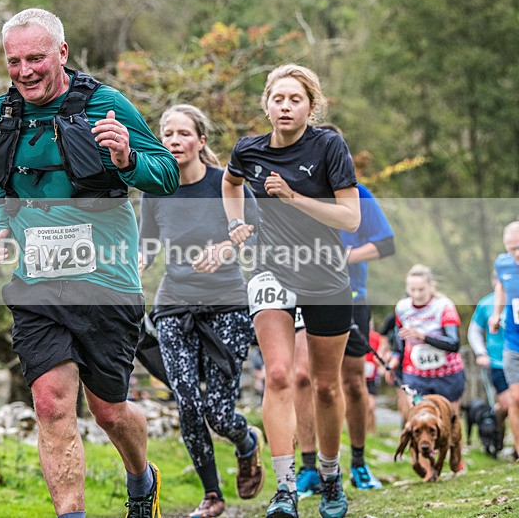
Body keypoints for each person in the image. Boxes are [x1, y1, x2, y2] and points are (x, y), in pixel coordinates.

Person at [0, 9, 179, 518]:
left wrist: (127, 159)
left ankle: (142, 477)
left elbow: (168, 174)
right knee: (49, 401)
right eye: (14, 60)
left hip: (106, 280)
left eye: (36, 58)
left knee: (109, 410)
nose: (24, 71)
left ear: (62, 53)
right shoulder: (0, 116)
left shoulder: (105, 105)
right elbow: (2, 189)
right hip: (38, 282)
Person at [223, 64, 360, 518]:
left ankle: (330, 473)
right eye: (278, 99)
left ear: (311, 106)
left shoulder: (329, 147)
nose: (285, 106)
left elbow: (350, 219)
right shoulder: (248, 150)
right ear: (266, 104)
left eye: (295, 99)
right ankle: (284, 491)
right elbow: (230, 182)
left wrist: (293, 198)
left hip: (324, 275)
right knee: (279, 375)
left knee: (324, 386)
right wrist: (236, 222)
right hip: (270, 270)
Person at [138, 104, 263, 518]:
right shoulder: (155, 190)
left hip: (226, 302)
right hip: (174, 305)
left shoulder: (224, 184)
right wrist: (134, 264)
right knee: (188, 404)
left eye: (183, 133)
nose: (174, 140)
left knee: (220, 413)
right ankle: (212, 496)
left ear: (201, 140)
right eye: (167, 134)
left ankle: (247, 442)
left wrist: (227, 245)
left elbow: (254, 228)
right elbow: (147, 243)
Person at [292, 123, 394, 497]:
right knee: (304, 376)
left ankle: (359, 464)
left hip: (351, 296)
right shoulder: (292, 192)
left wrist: (344, 255)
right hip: (303, 295)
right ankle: (308, 469)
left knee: (351, 381)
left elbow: (385, 244)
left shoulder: (358, 194)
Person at [389, 265, 465, 418]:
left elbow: (454, 344)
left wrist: (423, 337)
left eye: (421, 289)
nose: (417, 294)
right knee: (419, 418)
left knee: (448, 420)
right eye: (412, 290)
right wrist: (395, 358)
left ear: (431, 286)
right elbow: (400, 339)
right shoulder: (402, 307)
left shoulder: (444, 306)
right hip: (416, 374)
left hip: (447, 373)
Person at [468, 270, 509, 452]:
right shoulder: (485, 304)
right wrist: (480, 353)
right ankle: (499, 432)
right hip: (498, 363)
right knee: (508, 404)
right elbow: (474, 330)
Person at [490, 221, 519, 461]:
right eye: (512, 249)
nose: (516, 254)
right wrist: (497, 313)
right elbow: (501, 286)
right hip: (513, 341)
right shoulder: (503, 263)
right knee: (515, 398)